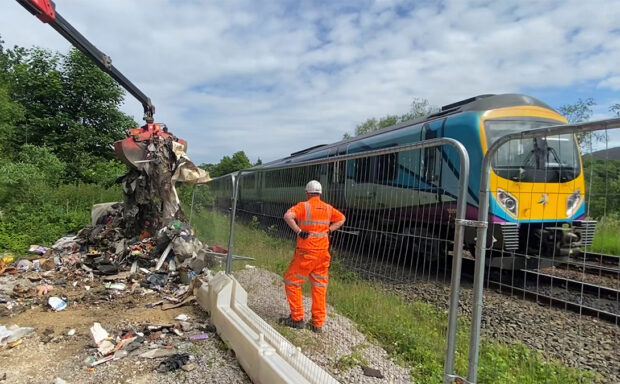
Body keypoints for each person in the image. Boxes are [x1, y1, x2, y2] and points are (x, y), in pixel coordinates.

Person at [279, 180, 346, 333]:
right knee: (319, 286)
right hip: (323, 253)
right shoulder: (328, 208)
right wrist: (330, 229)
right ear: (320, 193)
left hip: (307, 252)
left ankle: (297, 318)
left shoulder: (303, 206)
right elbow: (342, 218)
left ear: (307, 193)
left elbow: (288, 216)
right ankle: (317, 323)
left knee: (292, 281)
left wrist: (298, 231)